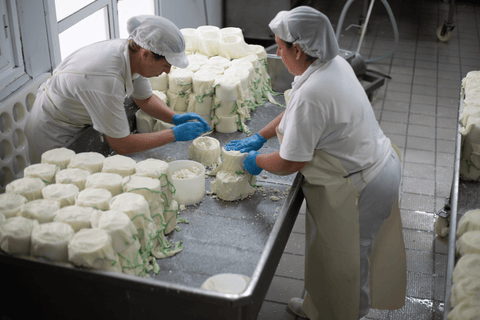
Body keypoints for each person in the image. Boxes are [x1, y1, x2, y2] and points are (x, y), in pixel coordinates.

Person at [225, 6, 407, 320]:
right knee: (330, 253)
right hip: (372, 165)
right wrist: (260, 136)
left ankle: (344, 314)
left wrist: (256, 161)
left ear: (298, 49)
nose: (278, 53)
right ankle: (319, 308)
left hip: (362, 185)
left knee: (346, 260)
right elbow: (294, 107)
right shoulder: (330, 63)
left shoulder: (315, 89)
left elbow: (290, 161)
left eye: (280, 48)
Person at [25, 15, 210, 163]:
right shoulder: (107, 80)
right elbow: (121, 144)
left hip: (77, 119)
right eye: (166, 65)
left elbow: (144, 99)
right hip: (53, 131)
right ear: (146, 54)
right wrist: (174, 134)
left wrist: (174, 118)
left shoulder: (132, 56)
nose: (168, 71)